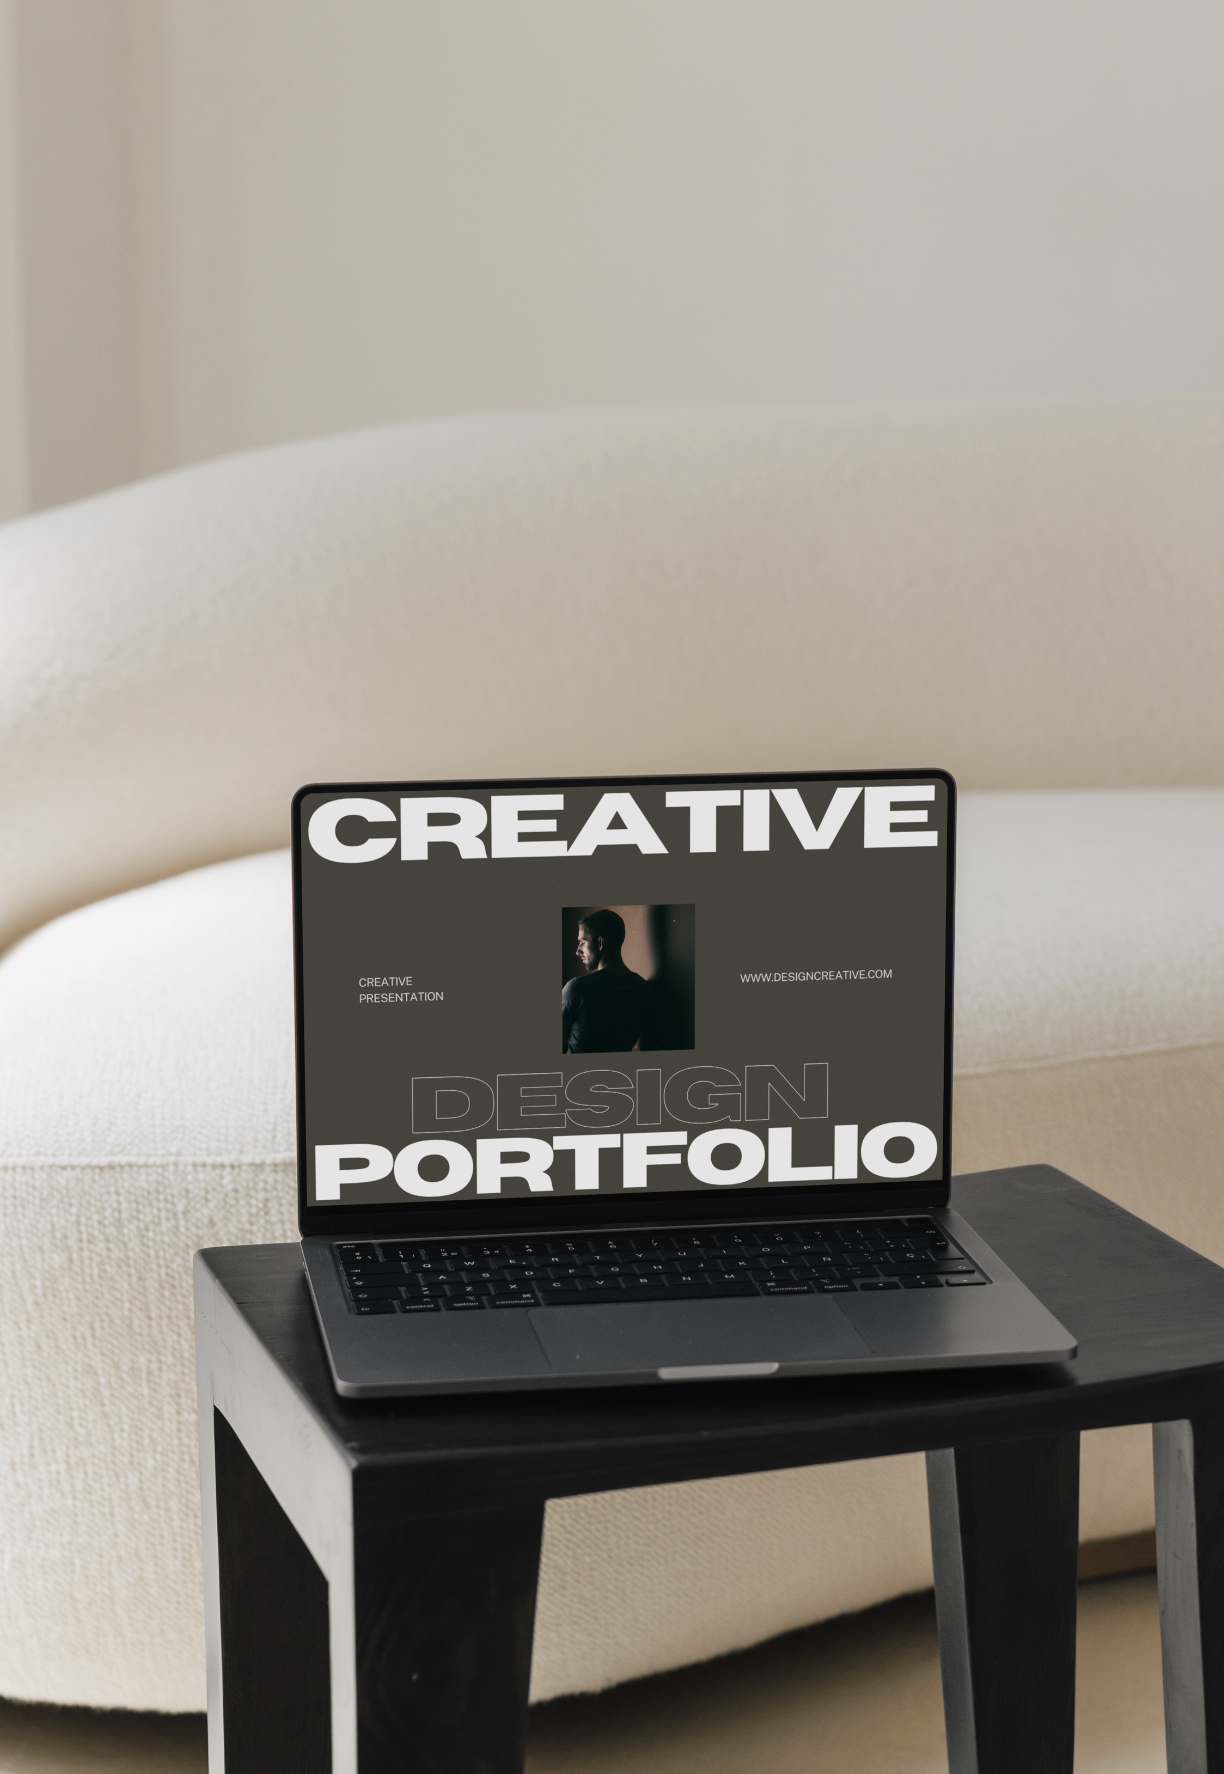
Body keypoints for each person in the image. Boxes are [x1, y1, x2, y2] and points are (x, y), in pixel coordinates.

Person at [562, 909, 649, 1052]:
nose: (578, 951)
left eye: (583, 941)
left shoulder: (577, 988)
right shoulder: (643, 988)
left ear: (600, 943)